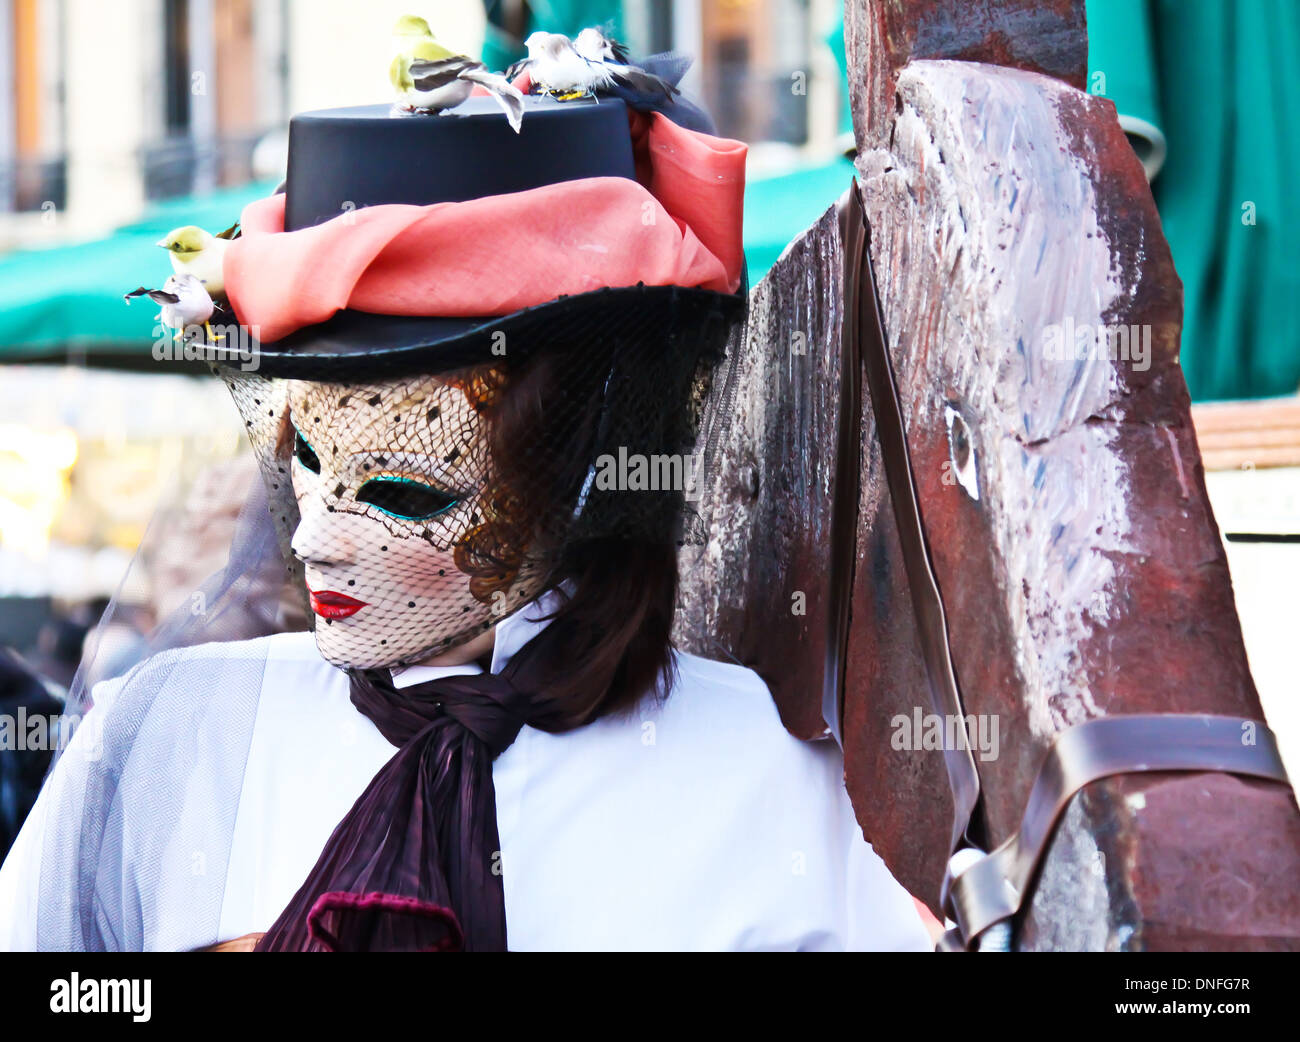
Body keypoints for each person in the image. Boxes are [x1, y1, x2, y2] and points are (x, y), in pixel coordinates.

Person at [0, 53, 930, 952]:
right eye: (310, 462)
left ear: (574, 467)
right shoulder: (172, 740)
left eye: (404, 489)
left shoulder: (760, 777)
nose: (318, 539)